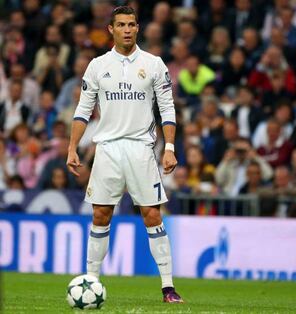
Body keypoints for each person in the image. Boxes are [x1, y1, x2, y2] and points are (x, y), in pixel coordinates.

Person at [66, 6, 183, 303]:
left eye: (132, 24)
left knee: (152, 214)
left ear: (138, 28)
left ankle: (168, 288)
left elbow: (167, 109)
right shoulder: (97, 65)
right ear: (111, 29)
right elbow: (83, 110)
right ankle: (91, 279)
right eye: (121, 25)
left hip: (141, 149)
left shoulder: (154, 64)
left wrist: (169, 148)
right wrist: (72, 147)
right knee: (100, 214)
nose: (127, 29)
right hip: (107, 149)